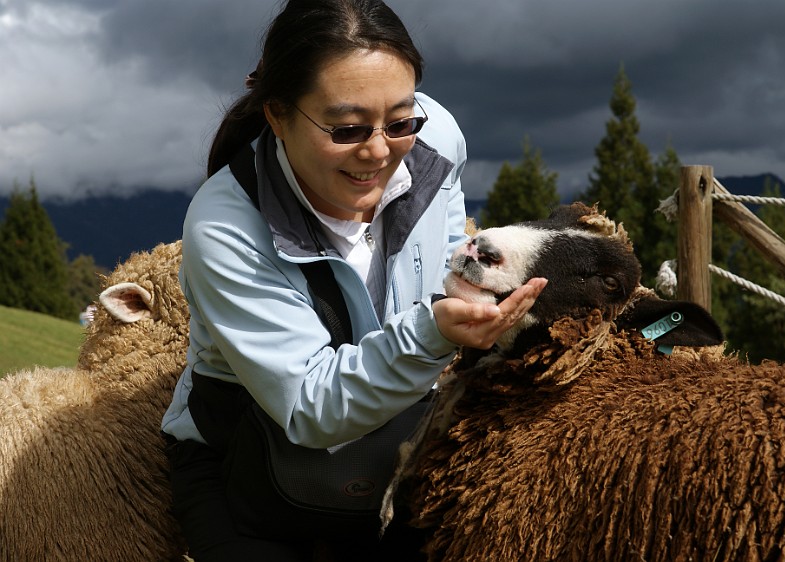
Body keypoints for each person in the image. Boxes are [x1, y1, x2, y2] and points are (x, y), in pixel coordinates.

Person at [160, 0, 546, 560]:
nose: (378, 150)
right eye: (345, 129)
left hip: (397, 439)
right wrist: (431, 334)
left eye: (400, 121)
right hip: (248, 463)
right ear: (277, 115)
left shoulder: (437, 140)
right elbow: (309, 407)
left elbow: (443, 250)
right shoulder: (225, 226)